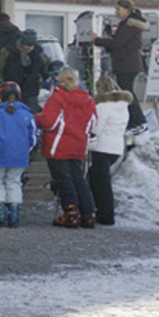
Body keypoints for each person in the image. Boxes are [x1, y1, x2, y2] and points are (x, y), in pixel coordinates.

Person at [37, 67, 98, 227]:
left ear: (59, 80)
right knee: (79, 179)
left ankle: (71, 213)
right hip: (78, 144)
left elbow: (49, 122)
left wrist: (35, 118)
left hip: (58, 144)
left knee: (64, 181)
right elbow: (93, 122)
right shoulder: (88, 99)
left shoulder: (58, 98)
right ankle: (89, 213)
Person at [0, 80, 38, 226]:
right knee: (14, 181)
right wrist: (26, 150)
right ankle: (14, 213)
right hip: (20, 154)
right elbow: (33, 138)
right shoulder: (27, 115)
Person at [88, 76, 132, 225]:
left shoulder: (103, 106)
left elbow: (97, 128)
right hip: (116, 147)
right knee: (98, 178)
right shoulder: (123, 106)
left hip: (102, 146)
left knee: (101, 183)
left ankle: (105, 215)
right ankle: (101, 211)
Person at [103, 1, 150, 131]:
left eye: (118, 9)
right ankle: (133, 121)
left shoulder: (130, 24)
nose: (116, 12)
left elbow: (118, 42)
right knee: (126, 92)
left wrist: (98, 40)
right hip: (125, 63)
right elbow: (121, 42)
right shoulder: (128, 23)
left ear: (127, 9)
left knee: (127, 93)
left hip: (126, 64)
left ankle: (139, 121)